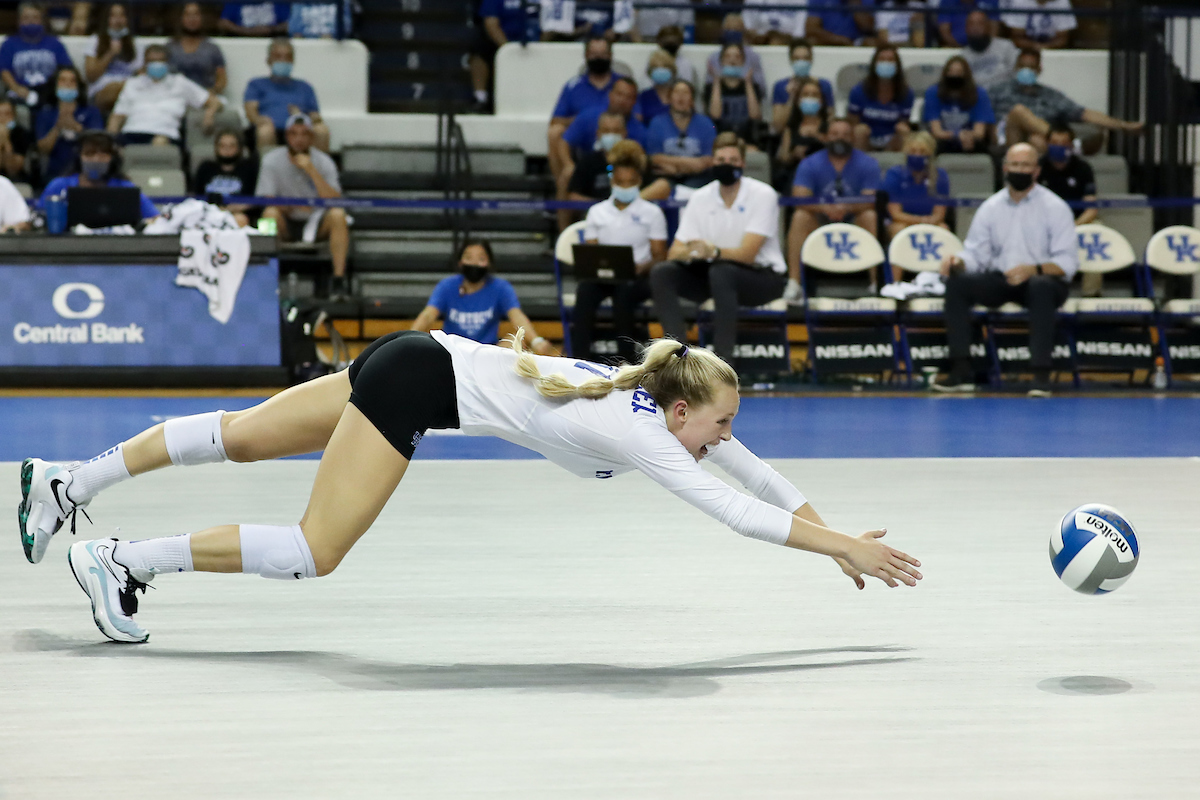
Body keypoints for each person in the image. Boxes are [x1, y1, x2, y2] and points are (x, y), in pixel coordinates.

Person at [21, 327, 922, 645]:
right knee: (314, 550)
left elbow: (754, 475)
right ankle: (118, 558)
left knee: (244, 437)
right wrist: (840, 546)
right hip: (417, 383)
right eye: (719, 423)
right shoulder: (640, 431)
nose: (727, 437)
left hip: (424, 354)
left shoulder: (663, 405)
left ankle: (69, 481)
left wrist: (835, 534)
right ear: (684, 411)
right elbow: (735, 511)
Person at [933, 143, 1076, 397]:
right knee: (957, 283)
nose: (1019, 170)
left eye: (1026, 165)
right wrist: (959, 262)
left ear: (1036, 171)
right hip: (1002, 279)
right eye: (1015, 165)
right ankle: (961, 368)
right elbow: (976, 254)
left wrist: (1035, 269)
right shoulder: (990, 208)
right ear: (1005, 168)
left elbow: (1067, 264)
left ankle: (1040, 374)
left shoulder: (1056, 207)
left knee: (1041, 287)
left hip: (1043, 280)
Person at [650, 132, 788, 364]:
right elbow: (675, 252)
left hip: (762, 278)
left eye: (732, 161)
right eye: (720, 160)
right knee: (662, 272)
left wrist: (712, 251)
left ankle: (723, 365)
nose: (726, 165)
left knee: (722, 271)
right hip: (714, 274)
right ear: (712, 162)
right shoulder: (701, 197)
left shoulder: (763, 195)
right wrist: (695, 252)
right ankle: (678, 359)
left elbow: (747, 254)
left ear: (743, 163)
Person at [572, 140, 666, 362]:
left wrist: (639, 268)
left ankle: (627, 363)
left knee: (624, 293)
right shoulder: (596, 212)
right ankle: (577, 360)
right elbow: (591, 253)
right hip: (604, 276)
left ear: (639, 182)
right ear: (612, 182)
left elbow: (660, 255)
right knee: (585, 291)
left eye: (630, 182)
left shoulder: (652, 213)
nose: (625, 187)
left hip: (638, 277)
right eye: (621, 182)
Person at [785, 117, 882, 302]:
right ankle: (794, 284)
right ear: (825, 137)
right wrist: (826, 208)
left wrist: (846, 207)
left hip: (853, 220)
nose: (840, 138)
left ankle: (875, 284)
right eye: (835, 134)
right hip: (820, 220)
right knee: (800, 217)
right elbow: (799, 198)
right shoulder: (810, 163)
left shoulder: (868, 163)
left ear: (853, 138)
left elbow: (870, 200)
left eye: (846, 134)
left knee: (870, 216)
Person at [256, 113, 350, 299]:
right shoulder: (271, 160)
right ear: (286, 137)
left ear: (311, 137)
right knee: (269, 214)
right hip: (287, 220)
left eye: (304, 134)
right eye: (293, 134)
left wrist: (311, 171)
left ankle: (339, 281)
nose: (298, 139)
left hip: (316, 222)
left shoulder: (324, 162)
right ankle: (265, 277)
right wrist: (292, 205)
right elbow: (266, 198)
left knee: (338, 215)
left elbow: (335, 199)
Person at [411, 239, 553, 354]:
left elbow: (517, 316)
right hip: (452, 351)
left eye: (481, 258)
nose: (474, 263)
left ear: (489, 263)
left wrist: (535, 341)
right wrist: (406, 339)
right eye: (468, 258)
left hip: (487, 353)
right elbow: (428, 315)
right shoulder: (447, 286)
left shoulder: (500, 287)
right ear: (460, 262)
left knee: (516, 342)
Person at [990, 48, 1142, 152]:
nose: (1026, 71)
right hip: (1007, 140)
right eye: (1022, 66)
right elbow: (983, 118)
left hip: (1036, 144)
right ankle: (1067, 144)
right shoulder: (999, 90)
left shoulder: (1050, 95)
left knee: (1037, 141)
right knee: (1019, 111)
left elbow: (1084, 113)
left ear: (1039, 70)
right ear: (1016, 67)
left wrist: (1123, 126)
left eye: (1031, 67)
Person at [557, 76, 642, 229]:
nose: (622, 100)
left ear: (624, 133)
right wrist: (568, 164)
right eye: (619, 94)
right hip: (592, 181)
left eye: (628, 97)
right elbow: (565, 141)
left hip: (627, 201)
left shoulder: (639, 131)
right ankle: (563, 235)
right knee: (567, 176)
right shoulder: (588, 116)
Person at [106, 44, 219, 147]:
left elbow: (214, 102)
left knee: (159, 143)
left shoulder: (180, 82)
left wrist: (209, 115)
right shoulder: (133, 84)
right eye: (152, 61)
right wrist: (111, 140)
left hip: (164, 134)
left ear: (168, 62)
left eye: (160, 61)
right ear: (145, 63)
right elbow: (117, 116)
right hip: (131, 133)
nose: (156, 64)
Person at [547, 35, 622, 188]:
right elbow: (555, 120)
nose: (598, 58)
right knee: (554, 132)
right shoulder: (573, 86)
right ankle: (564, 189)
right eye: (594, 54)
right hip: (581, 140)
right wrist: (582, 119)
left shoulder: (621, 84)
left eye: (603, 54)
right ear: (586, 56)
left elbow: (638, 116)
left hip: (617, 137)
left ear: (610, 56)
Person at [36, 129, 159, 221]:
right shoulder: (59, 186)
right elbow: (39, 219)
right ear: (79, 157)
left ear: (112, 159)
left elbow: (155, 218)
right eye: (89, 154)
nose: (96, 160)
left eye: (103, 155)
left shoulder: (126, 188)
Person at [244, 38, 330, 153]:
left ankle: (317, 170)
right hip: (271, 129)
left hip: (301, 129)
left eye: (287, 57)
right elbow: (250, 112)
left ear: (293, 61)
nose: (283, 61)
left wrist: (302, 117)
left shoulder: (305, 87)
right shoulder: (256, 84)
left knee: (321, 130)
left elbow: (316, 116)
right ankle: (267, 169)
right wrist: (260, 120)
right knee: (265, 131)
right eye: (278, 56)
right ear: (269, 60)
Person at [640, 79, 716, 202]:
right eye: (676, 92)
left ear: (692, 99)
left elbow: (707, 161)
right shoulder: (657, 123)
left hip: (698, 178)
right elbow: (654, 158)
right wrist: (690, 164)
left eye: (685, 93)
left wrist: (676, 168)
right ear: (669, 98)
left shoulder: (706, 124)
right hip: (665, 176)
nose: (681, 97)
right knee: (659, 187)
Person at [35, 66, 103, 183]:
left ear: (78, 86)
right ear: (55, 85)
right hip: (56, 174)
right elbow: (43, 149)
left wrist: (77, 127)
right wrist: (58, 127)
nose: (68, 84)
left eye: (72, 81)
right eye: (63, 80)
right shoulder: (46, 113)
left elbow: (99, 143)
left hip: (86, 173)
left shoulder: (91, 112)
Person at [0, 4, 73, 111]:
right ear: (19, 20)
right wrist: (16, 88)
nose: (30, 21)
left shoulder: (55, 43)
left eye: (35, 17)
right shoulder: (9, 43)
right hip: (20, 91)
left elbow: (66, 69)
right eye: (26, 18)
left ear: (42, 20)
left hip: (50, 93)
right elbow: (4, 70)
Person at [884, 131, 950, 242]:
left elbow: (939, 214)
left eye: (923, 152)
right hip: (902, 221)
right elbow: (895, 213)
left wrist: (928, 221)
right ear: (906, 152)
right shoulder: (894, 174)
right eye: (913, 151)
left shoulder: (940, 176)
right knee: (898, 228)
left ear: (930, 154)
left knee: (943, 228)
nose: (918, 155)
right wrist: (920, 220)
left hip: (930, 222)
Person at [847, 44, 913, 152]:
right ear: (874, 64)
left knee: (904, 130)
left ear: (897, 66)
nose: (886, 63)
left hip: (891, 140)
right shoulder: (858, 91)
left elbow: (904, 122)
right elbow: (853, 122)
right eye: (882, 59)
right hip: (866, 139)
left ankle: (897, 165)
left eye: (890, 60)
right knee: (859, 130)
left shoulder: (906, 93)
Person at [923, 55, 993, 154]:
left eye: (959, 72)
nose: (955, 76)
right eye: (951, 72)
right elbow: (936, 131)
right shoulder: (933, 92)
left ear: (967, 75)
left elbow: (979, 132)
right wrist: (957, 135)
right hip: (944, 140)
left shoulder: (979, 93)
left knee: (985, 149)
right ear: (945, 74)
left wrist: (967, 136)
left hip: (971, 140)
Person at [472, 0, 535, 111]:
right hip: (503, 42)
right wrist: (507, 49)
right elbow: (490, 23)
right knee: (479, 49)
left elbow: (551, 21)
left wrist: (541, 44)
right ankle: (480, 98)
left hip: (536, 41)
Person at [83, 3, 144, 115]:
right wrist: (110, 54)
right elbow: (90, 76)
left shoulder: (135, 43)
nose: (118, 20)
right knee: (119, 90)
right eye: (113, 16)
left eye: (122, 16)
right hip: (101, 91)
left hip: (129, 91)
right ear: (106, 19)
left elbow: (140, 74)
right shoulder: (95, 40)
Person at [775, 76, 831, 190]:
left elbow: (839, 150)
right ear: (798, 100)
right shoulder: (790, 129)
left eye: (814, 95)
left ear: (821, 100)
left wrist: (818, 136)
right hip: (796, 174)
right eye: (806, 95)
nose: (810, 98)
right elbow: (784, 157)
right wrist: (794, 154)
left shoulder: (830, 126)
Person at [193, 128, 258, 226]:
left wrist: (231, 209)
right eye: (222, 145)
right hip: (208, 213)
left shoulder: (249, 169)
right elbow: (195, 197)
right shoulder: (205, 168)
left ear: (240, 148)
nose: (227, 149)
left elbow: (255, 200)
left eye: (232, 145)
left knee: (239, 219)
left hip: (239, 215)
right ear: (216, 148)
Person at [771, 38, 835, 135]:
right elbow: (778, 126)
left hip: (819, 134)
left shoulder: (824, 85)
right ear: (791, 60)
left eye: (805, 58)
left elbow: (830, 119)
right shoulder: (781, 86)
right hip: (790, 135)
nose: (801, 62)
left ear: (811, 59)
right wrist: (791, 97)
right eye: (797, 58)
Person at [1037, 122, 1096, 225]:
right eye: (1055, 143)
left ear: (1071, 145)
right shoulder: (1037, 167)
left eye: (1064, 143)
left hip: (1077, 222)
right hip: (1043, 223)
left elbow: (1091, 208)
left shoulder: (1083, 168)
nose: (1059, 146)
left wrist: (1075, 225)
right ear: (1047, 143)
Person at [705, 42, 763, 144]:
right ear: (721, 61)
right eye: (727, 56)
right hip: (719, 139)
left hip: (747, 140)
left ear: (743, 61)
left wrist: (748, 83)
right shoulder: (711, 87)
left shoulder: (753, 87)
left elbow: (755, 116)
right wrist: (717, 81)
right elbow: (715, 115)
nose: (732, 60)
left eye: (737, 56)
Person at [566, 111, 630, 202]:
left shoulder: (633, 160)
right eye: (606, 131)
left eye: (616, 131)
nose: (611, 135)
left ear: (624, 133)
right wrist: (602, 207)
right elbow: (574, 195)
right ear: (598, 134)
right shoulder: (587, 162)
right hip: (595, 213)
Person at [167, 2, 228, 94]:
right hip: (176, 96)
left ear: (202, 18)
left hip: (206, 97)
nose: (192, 19)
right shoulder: (170, 47)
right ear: (181, 18)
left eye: (196, 14)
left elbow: (221, 79)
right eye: (188, 15)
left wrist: (209, 94)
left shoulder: (212, 48)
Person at [958, 9, 1017, 90]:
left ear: (988, 26)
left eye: (980, 23)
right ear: (966, 29)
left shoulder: (1006, 46)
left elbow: (1016, 72)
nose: (975, 28)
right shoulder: (963, 56)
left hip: (1004, 94)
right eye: (971, 24)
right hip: (977, 98)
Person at [703, 18, 767, 92]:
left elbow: (761, 88)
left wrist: (746, 81)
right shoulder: (714, 57)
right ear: (723, 31)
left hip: (746, 92)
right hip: (721, 93)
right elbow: (708, 87)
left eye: (736, 29)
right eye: (729, 29)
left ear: (743, 31)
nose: (733, 32)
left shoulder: (753, 57)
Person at [1003, 0, 1076, 51]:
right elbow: (1017, 37)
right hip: (1025, 51)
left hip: (1053, 50)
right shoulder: (1019, 1)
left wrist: (1046, 47)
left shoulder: (1062, 2)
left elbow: (1063, 38)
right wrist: (1035, 46)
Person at [805, 0, 876, 46]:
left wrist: (855, 5)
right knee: (811, 41)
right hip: (829, 39)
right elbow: (811, 29)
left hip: (857, 41)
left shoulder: (866, 1)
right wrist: (838, 39)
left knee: (871, 43)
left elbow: (868, 27)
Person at [634, 49, 675, 125]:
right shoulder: (644, 97)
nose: (661, 70)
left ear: (672, 70)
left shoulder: (678, 94)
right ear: (650, 72)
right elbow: (638, 119)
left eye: (665, 66)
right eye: (656, 67)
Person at [742, 0, 808, 46]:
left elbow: (799, 34)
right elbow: (748, 29)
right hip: (759, 42)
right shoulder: (752, 1)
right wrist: (764, 37)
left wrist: (779, 37)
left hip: (787, 43)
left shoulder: (800, 1)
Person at [0, 98, 34, 183]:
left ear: (14, 115)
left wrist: (5, 141)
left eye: (7, 114)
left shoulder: (21, 133)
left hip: (14, 181)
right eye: (0, 114)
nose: (3, 118)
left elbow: (13, 170)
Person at [218, 1, 289, 36]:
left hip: (272, 37)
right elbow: (223, 22)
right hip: (242, 37)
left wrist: (272, 29)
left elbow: (288, 23)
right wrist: (246, 31)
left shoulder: (278, 3)